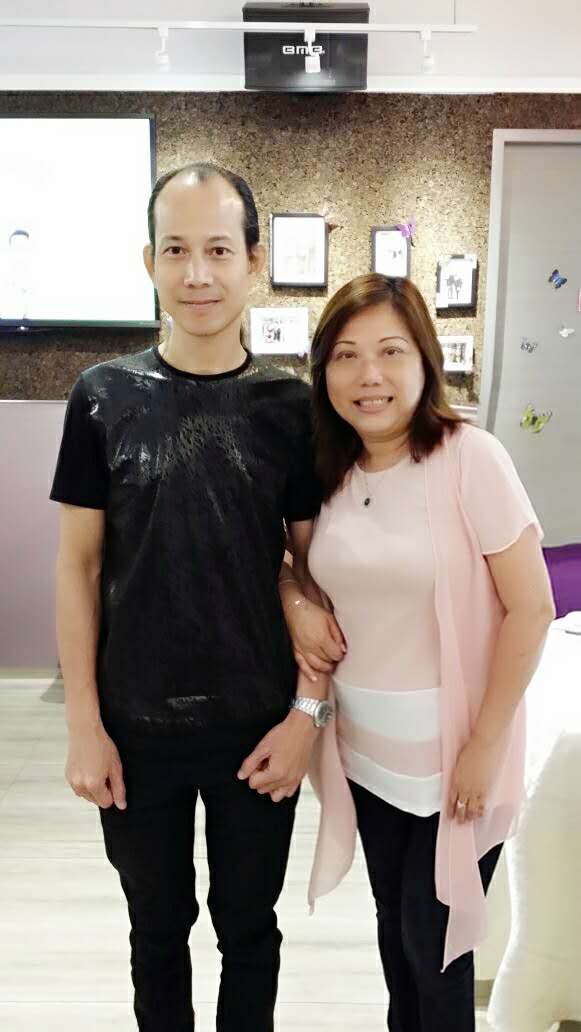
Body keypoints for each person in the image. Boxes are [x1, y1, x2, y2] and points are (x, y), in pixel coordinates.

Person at [50, 161, 341, 1032]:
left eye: (218, 249)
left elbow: (313, 577)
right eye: (175, 250)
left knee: (248, 928)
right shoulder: (101, 397)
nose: (197, 273)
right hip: (134, 727)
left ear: (254, 262)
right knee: (156, 928)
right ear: (149, 262)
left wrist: (307, 717)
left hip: (259, 725)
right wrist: (84, 724)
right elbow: (77, 567)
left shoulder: (290, 408)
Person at [280, 273, 555, 1032]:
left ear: (424, 360)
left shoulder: (471, 457)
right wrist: (295, 599)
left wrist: (483, 746)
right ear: (323, 372)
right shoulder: (330, 471)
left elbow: (532, 607)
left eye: (390, 351)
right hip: (365, 754)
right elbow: (294, 567)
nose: (368, 375)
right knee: (395, 939)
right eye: (345, 355)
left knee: (434, 949)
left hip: (452, 758)